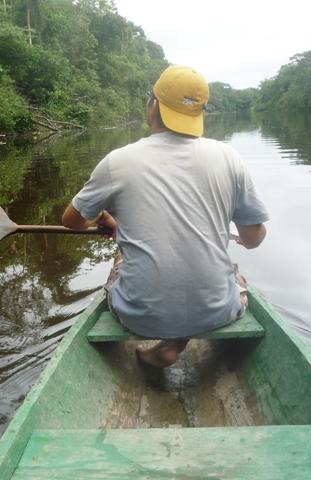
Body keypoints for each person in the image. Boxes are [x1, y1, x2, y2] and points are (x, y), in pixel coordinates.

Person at [62, 65, 269, 368]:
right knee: (233, 273)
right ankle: (178, 340)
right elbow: (253, 239)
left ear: (153, 106)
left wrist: (101, 216)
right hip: (218, 313)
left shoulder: (117, 161)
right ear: (198, 115)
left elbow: (72, 222)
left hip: (138, 318)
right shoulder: (229, 158)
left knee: (121, 261)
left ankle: (168, 342)